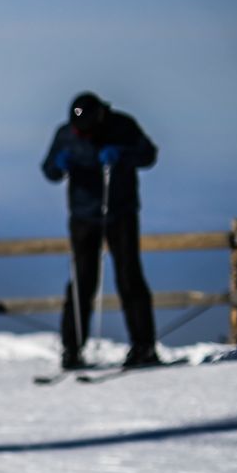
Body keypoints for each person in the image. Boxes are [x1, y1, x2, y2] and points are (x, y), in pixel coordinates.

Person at [41, 92, 161, 369]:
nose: (82, 135)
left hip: (120, 213)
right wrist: (58, 165)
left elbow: (149, 154)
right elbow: (48, 170)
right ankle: (71, 349)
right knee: (82, 281)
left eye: (86, 131)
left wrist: (124, 155)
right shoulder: (66, 134)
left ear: (99, 119)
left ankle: (144, 347)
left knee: (129, 277)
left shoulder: (123, 126)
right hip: (83, 217)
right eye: (77, 131)